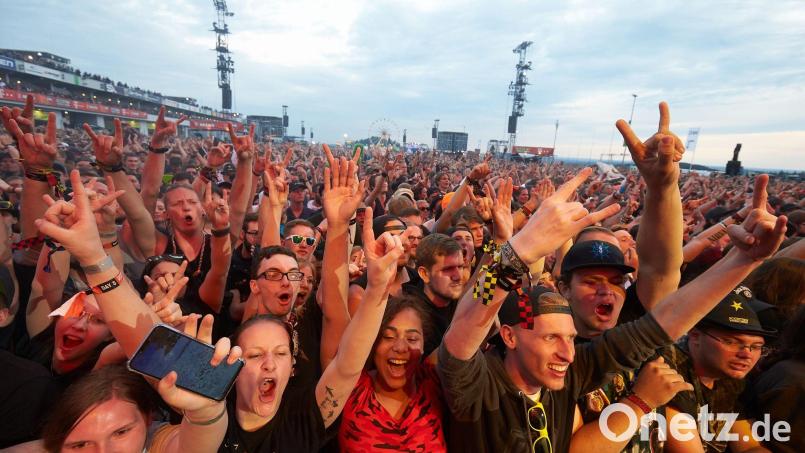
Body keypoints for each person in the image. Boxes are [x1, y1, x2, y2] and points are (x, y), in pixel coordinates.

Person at [437, 149, 786, 453]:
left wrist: (744, 261)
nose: (568, 353)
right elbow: (468, 322)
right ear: (510, 337)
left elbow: (665, 321)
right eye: (550, 338)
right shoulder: (477, 388)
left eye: (571, 339)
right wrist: (520, 248)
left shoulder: (569, 375)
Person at [338, 296, 447, 452]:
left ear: (424, 345)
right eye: (388, 336)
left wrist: (491, 275)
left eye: (412, 338)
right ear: (373, 342)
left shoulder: (431, 380)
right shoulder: (351, 388)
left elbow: (469, 320)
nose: (400, 347)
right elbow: (333, 314)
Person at [403, 233, 465, 356]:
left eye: (461, 267)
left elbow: (484, 286)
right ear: (425, 274)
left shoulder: (458, 300)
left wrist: (499, 242)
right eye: (448, 269)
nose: (458, 276)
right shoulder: (411, 316)